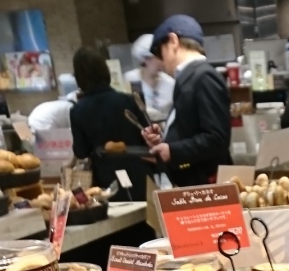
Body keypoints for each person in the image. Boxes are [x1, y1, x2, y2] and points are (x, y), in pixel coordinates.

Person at [142, 15, 231, 186]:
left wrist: (172, 150)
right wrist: (164, 139)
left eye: (161, 52)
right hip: (195, 184)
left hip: (206, 187)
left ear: (173, 41)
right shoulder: (191, 76)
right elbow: (193, 129)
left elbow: (217, 138)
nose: (161, 61)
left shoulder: (204, 76)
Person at [69, 48, 148, 196]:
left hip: (105, 179)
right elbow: (147, 136)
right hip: (139, 173)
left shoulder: (78, 110)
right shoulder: (130, 100)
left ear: (79, 77)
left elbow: (81, 151)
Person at [124, 33, 174, 122]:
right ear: (144, 59)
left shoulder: (170, 83)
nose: (161, 62)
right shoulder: (130, 79)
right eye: (157, 58)